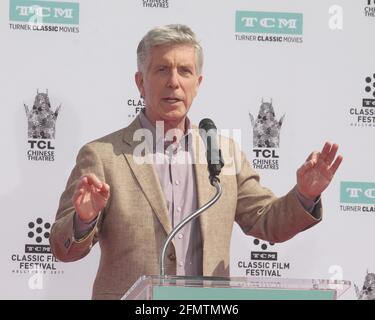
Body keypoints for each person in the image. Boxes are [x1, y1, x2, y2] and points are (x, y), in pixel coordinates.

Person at [49, 24, 343, 300]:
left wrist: (305, 194)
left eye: (185, 71)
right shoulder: (102, 155)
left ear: (198, 83)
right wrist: (83, 220)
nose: (174, 82)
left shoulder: (223, 154)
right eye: (162, 69)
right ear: (140, 82)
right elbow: (63, 249)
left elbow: (268, 222)